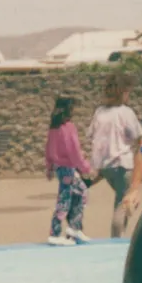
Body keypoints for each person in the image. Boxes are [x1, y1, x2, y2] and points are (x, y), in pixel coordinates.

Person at [88, 74, 142, 238]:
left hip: (105, 166)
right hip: (123, 164)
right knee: (124, 203)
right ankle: (116, 238)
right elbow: (140, 139)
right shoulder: (126, 113)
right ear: (123, 93)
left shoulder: (99, 112)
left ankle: (120, 234)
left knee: (123, 200)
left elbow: (92, 136)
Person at [44, 96, 96, 246]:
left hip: (61, 169)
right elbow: (74, 151)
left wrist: (49, 167)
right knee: (65, 200)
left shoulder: (54, 128)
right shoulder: (68, 127)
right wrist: (85, 167)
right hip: (68, 168)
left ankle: (74, 228)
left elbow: (48, 148)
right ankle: (55, 233)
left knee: (79, 193)